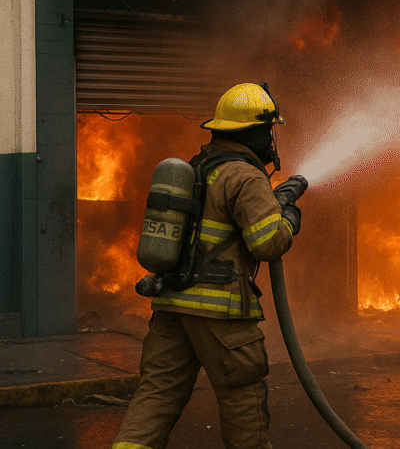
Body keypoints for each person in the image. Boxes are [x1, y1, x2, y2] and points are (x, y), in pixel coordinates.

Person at [112, 82, 305, 449]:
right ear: (254, 131)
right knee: (243, 400)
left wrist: (274, 202)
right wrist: (290, 217)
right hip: (221, 314)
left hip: (171, 306)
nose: (271, 140)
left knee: (156, 396)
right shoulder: (245, 176)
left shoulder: (196, 168)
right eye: (269, 130)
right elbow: (268, 244)